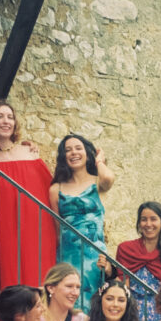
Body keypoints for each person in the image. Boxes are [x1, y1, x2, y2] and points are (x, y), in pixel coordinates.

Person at [0, 101, 56, 290]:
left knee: (39, 275)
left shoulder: (29, 153)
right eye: (0, 116)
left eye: (10, 117)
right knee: (9, 275)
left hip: (38, 225)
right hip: (6, 227)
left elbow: (50, 188)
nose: (6, 121)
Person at [49, 133, 115, 311]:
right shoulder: (56, 189)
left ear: (87, 153)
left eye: (78, 148)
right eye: (68, 150)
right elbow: (57, 229)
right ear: (64, 157)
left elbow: (109, 178)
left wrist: (99, 160)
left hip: (95, 258)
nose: (73, 153)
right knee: (71, 304)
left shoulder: (97, 183)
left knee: (95, 305)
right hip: (68, 256)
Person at [99, 201, 161, 321]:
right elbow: (121, 282)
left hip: (160, 316)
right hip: (130, 313)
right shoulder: (126, 249)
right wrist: (109, 271)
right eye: (143, 219)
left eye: (153, 219)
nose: (148, 224)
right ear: (138, 223)